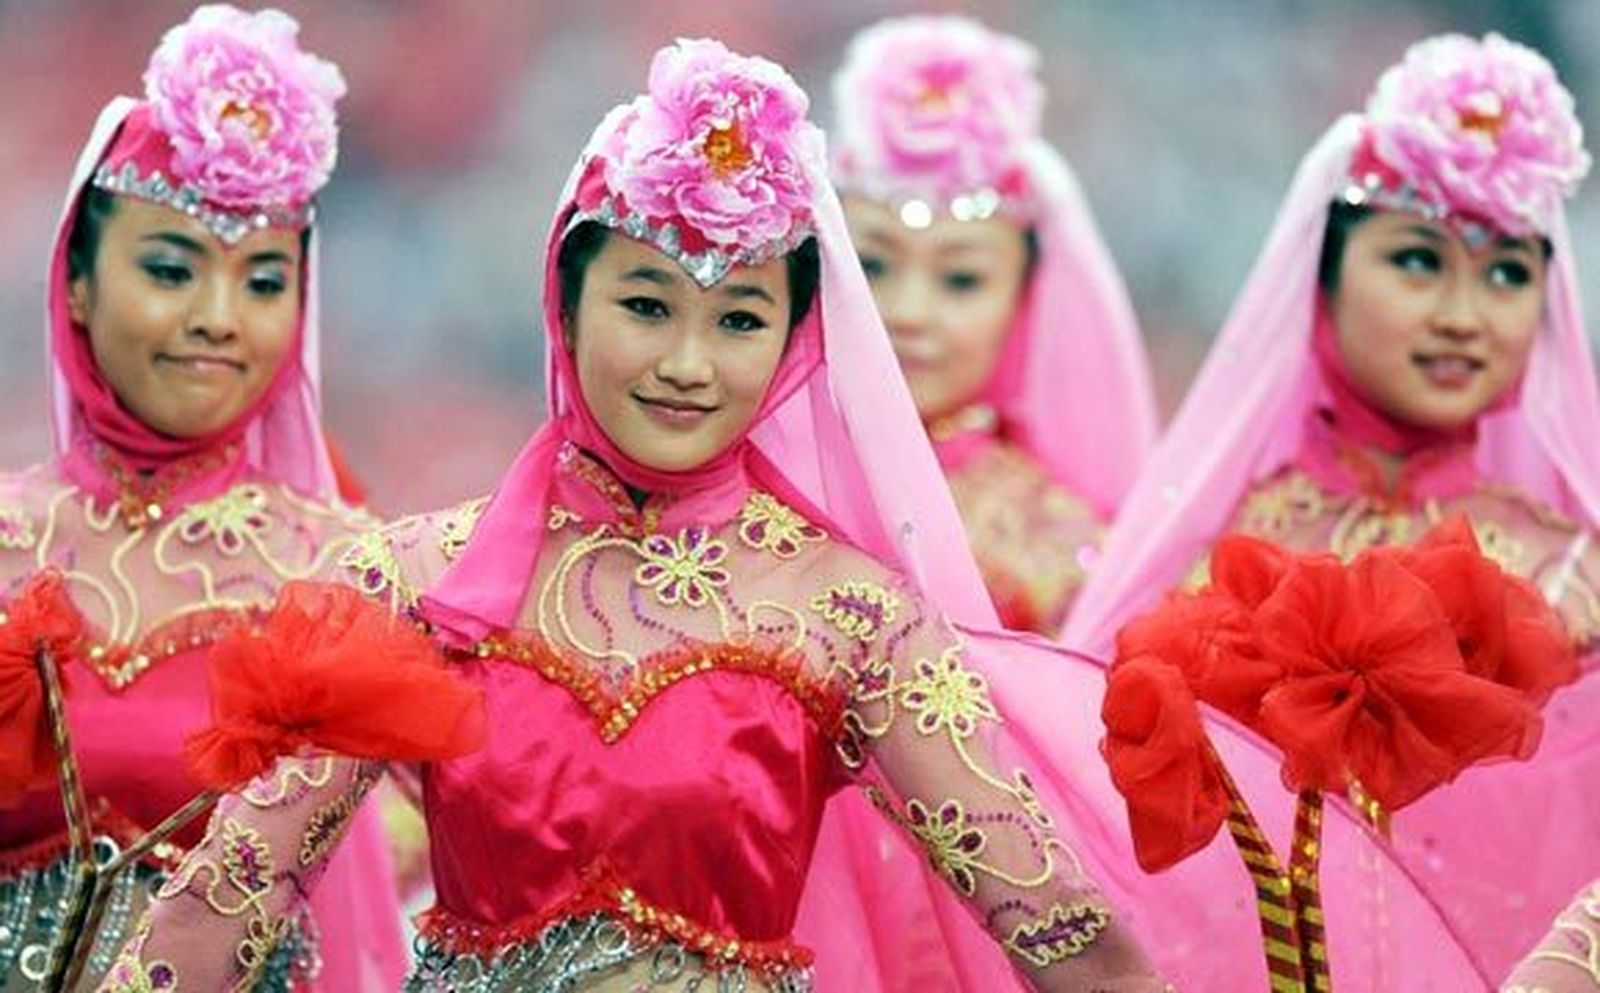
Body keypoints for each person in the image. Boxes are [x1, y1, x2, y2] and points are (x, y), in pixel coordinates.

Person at [96, 38, 1169, 992]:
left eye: (739, 318)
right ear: (563, 305)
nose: (688, 365)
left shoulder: (852, 619)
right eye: (646, 305)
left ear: (793, 345)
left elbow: (1069, 941)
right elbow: (220, 909)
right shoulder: (409, 585)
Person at [1065, 32, 1600, 987]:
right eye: (1417, 261)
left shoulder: (1577, 574)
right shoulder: (1226, 553)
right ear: (1322, 278)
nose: (1464, 315)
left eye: (1509, 272)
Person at [0, 6, 406, 989]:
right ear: (79, 283)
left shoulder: (351, 572)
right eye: (172, 270)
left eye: (263, 281)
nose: (218, 320)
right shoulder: (9, 544)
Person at [831, 15, 1156, 635]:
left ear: (1024, 300)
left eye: (961, 280)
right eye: (871, 265)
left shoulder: (1060, 555)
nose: (907, 312)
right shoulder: (745, 483)